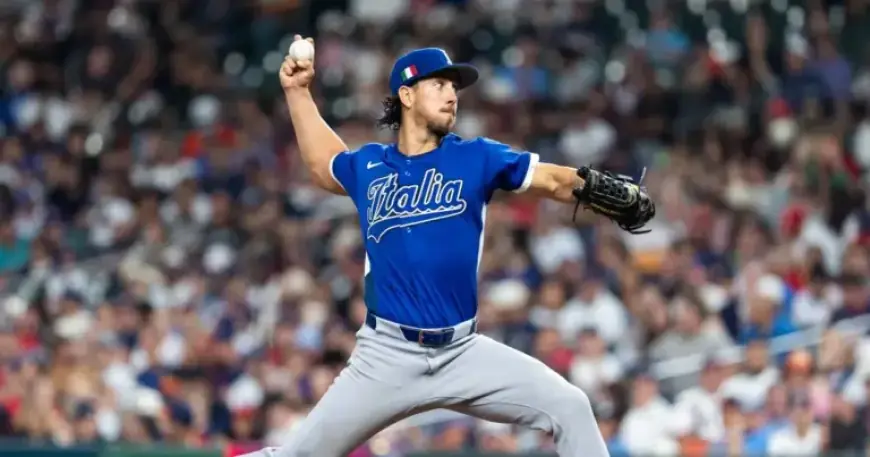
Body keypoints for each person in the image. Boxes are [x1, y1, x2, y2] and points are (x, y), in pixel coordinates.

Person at [241, 36, 655, 457]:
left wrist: (596, 187)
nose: (452, 95)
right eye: (438, 84)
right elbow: (325, 165)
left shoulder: (475, 156)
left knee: (570, 405)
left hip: (463, 352)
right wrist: (297, 92)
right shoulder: (369, 166)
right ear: (406, 94)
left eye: (454, 88)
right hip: (385, 357)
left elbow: (552, 179)